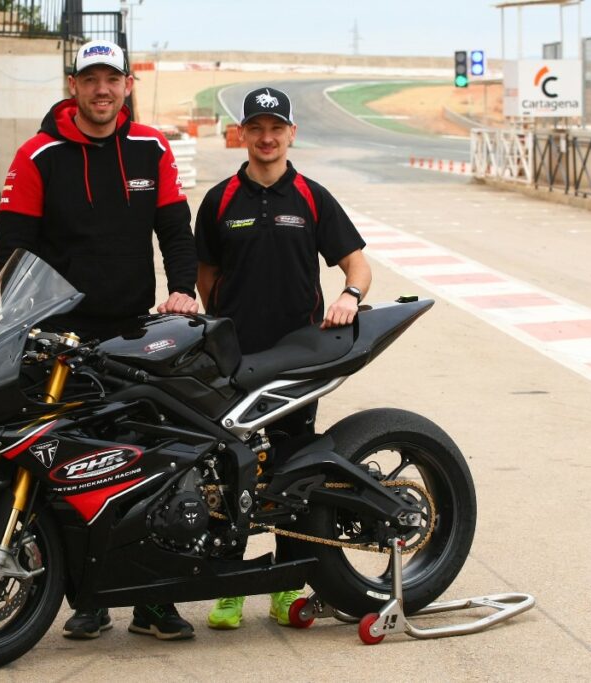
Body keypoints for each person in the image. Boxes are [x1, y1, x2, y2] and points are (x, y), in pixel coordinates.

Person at [0, 40, 199, 641]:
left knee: (150, 465)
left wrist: (183, 289)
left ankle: (154, 601)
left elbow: (175, 231)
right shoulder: (39, 155)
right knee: (70, 471)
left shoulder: (150, 147)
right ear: (73, 85)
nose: (102, 89)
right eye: (91, 79)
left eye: (112, 78)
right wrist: (25, 321)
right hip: (62, 344)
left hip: (133, 334)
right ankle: (88, 599)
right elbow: (12, 250)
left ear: (127, 85)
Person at [194, 86, 372, 630]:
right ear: (242, 135)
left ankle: (286, 584)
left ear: (291, 133)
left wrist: (350, 297)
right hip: (237, 362)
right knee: (227, 474)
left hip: (297, 361)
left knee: (292, 476)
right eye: (256, 128)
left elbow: (357, 265)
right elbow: (206, 282)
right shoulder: (220, 201)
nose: (266, 138)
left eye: (276, 128)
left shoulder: (313, 198)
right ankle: (228, 589)